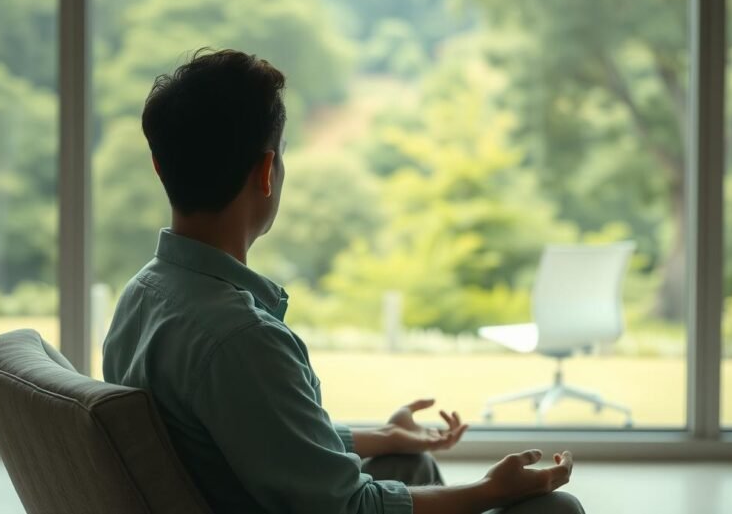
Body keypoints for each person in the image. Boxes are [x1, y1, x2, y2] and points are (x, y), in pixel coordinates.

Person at [102, 48, 584, 514]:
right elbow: (352, 508)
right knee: (556, 509)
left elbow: (254, 435)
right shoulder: (242, 340)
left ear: (159, 165)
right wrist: (488, 491)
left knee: (405, 461)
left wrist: (384, 436)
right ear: (267, 171)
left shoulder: (141, 298)